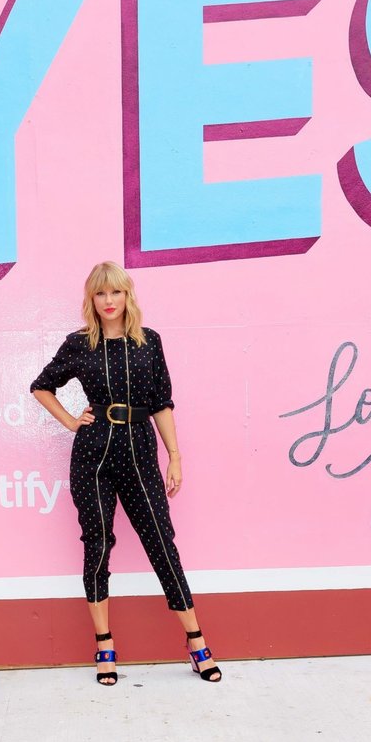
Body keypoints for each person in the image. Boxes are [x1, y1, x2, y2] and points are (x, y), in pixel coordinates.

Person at [30, 261, 221, 685]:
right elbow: (41, 386)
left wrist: (174, 456)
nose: (109, 300)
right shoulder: (79, 344)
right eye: (100, 293)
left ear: (127, 295)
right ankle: (104, 644)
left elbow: (162, 402)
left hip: (139, 451)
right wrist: (70, 421)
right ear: (91, 300)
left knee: (161, 542)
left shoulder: (148, 342)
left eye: (115, 292)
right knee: (97, 545)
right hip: (93, 455)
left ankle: (195, 641)